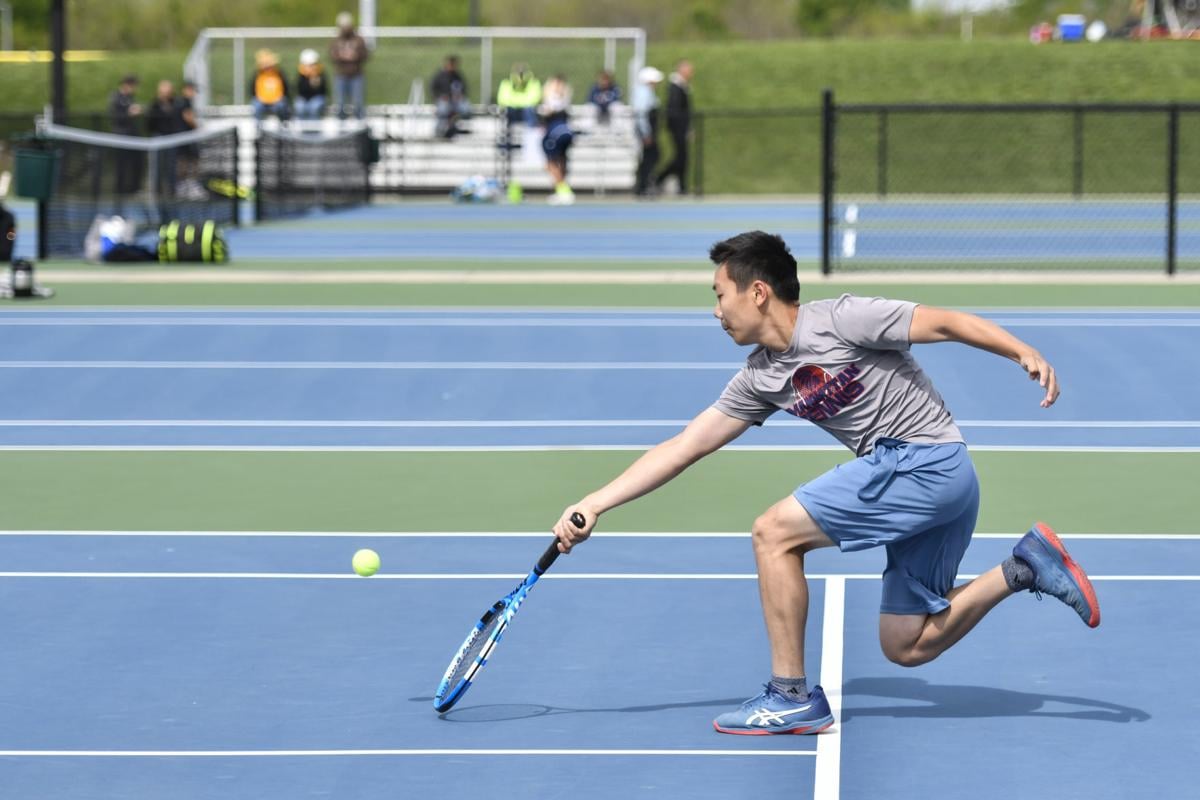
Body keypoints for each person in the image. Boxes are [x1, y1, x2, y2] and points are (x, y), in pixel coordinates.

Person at [550, 231, 1099, 735]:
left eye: (720, 294)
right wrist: (595, 503)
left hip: (924, 462)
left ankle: (788, 695)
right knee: (905, 644)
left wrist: (1020, 350)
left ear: (757, 291)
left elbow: (946, 322)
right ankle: (1026, 566)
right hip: (935, 483)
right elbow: (683, 447)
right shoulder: (761, 376)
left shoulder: (842, 319)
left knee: (773, 532)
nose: (715, 310)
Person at [656, 60, 694, 195]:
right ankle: (658, 179)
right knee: (680, 158)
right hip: (677, 128)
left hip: (681, 128)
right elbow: (675, 109)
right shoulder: (675, 87)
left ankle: (681, 186)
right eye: (689, 70)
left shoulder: (683, 86)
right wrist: (681, 128)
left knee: (682, 158)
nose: (691, 73)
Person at [145, 79, 187, 197]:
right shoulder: (154, 105)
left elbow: (178, 121)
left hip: (171, 138)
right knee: (157, 166)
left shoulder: (176, 104)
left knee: (171, 165)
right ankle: (156, 192)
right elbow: (149, 123)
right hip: (158, 138)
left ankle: (172, 191)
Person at [539, 74, 574, 205]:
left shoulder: (555, 98)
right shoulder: (565, 97)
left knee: (550, 163)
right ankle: (561, 190)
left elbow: (550, 109)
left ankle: (563, 189)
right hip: (566, 132)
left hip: (555, 133)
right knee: (561, 160)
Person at [329, 11, 369, 121]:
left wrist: (355, 56)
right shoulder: (336, 40)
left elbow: (365, 55)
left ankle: (360, 125)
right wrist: (342, 56)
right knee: (340, 103)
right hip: (341, 75)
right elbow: (331, 55)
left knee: (358, 102)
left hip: (356, 75)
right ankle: (341, 127)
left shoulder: (358, 40)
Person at [108, 75, 144, 195]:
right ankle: (119, 189)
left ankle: (134, 188)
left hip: (132, 136)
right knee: (121, 163)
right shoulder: (116, 98)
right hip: (121, 136)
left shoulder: (130, 98)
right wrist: (129, 114)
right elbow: (116, 117)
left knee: (136, 162)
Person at [631, 66, 663, 197]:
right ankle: (643, 185)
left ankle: (644, 185)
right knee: (650, 157)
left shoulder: (647, 92)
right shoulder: (643, 92)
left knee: (651, 156)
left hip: (648, 129)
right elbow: (641, 114)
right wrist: (646, 133)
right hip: (646, 130)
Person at [431, 54, 471, 139]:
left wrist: (460, 96)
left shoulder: (457, 76)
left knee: (465, 108)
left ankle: (456, 127)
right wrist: (440, 97)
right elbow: (434, 89)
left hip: (455, 101)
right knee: (444, 108)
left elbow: (463, 89)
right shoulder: (440, 75)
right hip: (443, 100)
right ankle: (440, 130)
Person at [250, 49, 290, 123]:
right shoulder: (257, 75)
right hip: (262, 100)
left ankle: (284, 124)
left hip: (277, 100)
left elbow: (285, 88)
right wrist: (261, 98)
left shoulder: (279, 73)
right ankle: (257, 127)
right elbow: (253, 89)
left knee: (281, 106)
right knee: (257, 106)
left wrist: (279, 98)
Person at [295, 49, 328, 121]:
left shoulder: (320, 73)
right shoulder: (301, 74)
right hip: (304, 98)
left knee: (314, 107)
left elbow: (323, 90)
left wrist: (316, 82)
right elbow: (299, 89)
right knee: (300, 107)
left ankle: (314, 129)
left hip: (317, 97)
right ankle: (302, 128)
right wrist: (309, 83)